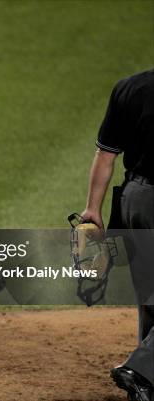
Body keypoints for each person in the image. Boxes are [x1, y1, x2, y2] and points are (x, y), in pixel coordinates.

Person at [80, 69, 153, 401]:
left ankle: (145, 387)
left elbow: (105, 155)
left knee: (150, 293)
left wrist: (92, 210)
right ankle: (141, 368)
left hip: (134, 199)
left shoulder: (131, 87)